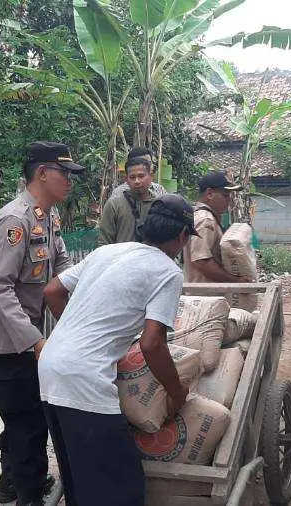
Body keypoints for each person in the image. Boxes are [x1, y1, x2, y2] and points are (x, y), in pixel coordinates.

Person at [39, 194, 196, 506]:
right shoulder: (167, 272)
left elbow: (52, 290)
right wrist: (176, 392)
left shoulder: (107, 252)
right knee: (122, 487)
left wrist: (80, 332)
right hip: (86, 380)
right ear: (182, 236)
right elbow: (152, 343)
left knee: (80, 478)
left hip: (50, 367)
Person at [0, 141, 83, 506]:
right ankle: (29, 497)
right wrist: (35, 341)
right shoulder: (14, 221)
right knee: (28, 423)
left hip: (27, 334)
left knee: (25, 416)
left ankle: (9, 483)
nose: (70, 181)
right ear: (43, 173)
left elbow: (62, 266)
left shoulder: (46, 216)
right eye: (65, 174)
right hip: (5, 340)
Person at [184, 171, 251, 283]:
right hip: (204, 295)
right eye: (225, 195)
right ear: (209, 194)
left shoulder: (203, 216)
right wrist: (235, 280)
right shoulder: (205, 220)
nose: (229, 200)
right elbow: (201, 261)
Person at [97, 157, 159, 245]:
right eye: (132, 177)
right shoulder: (114, 204)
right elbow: (103, 241)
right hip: (120, 258)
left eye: (141, 176)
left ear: (151, 177)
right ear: (126, 180)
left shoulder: (159, 205)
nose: (137, 181)